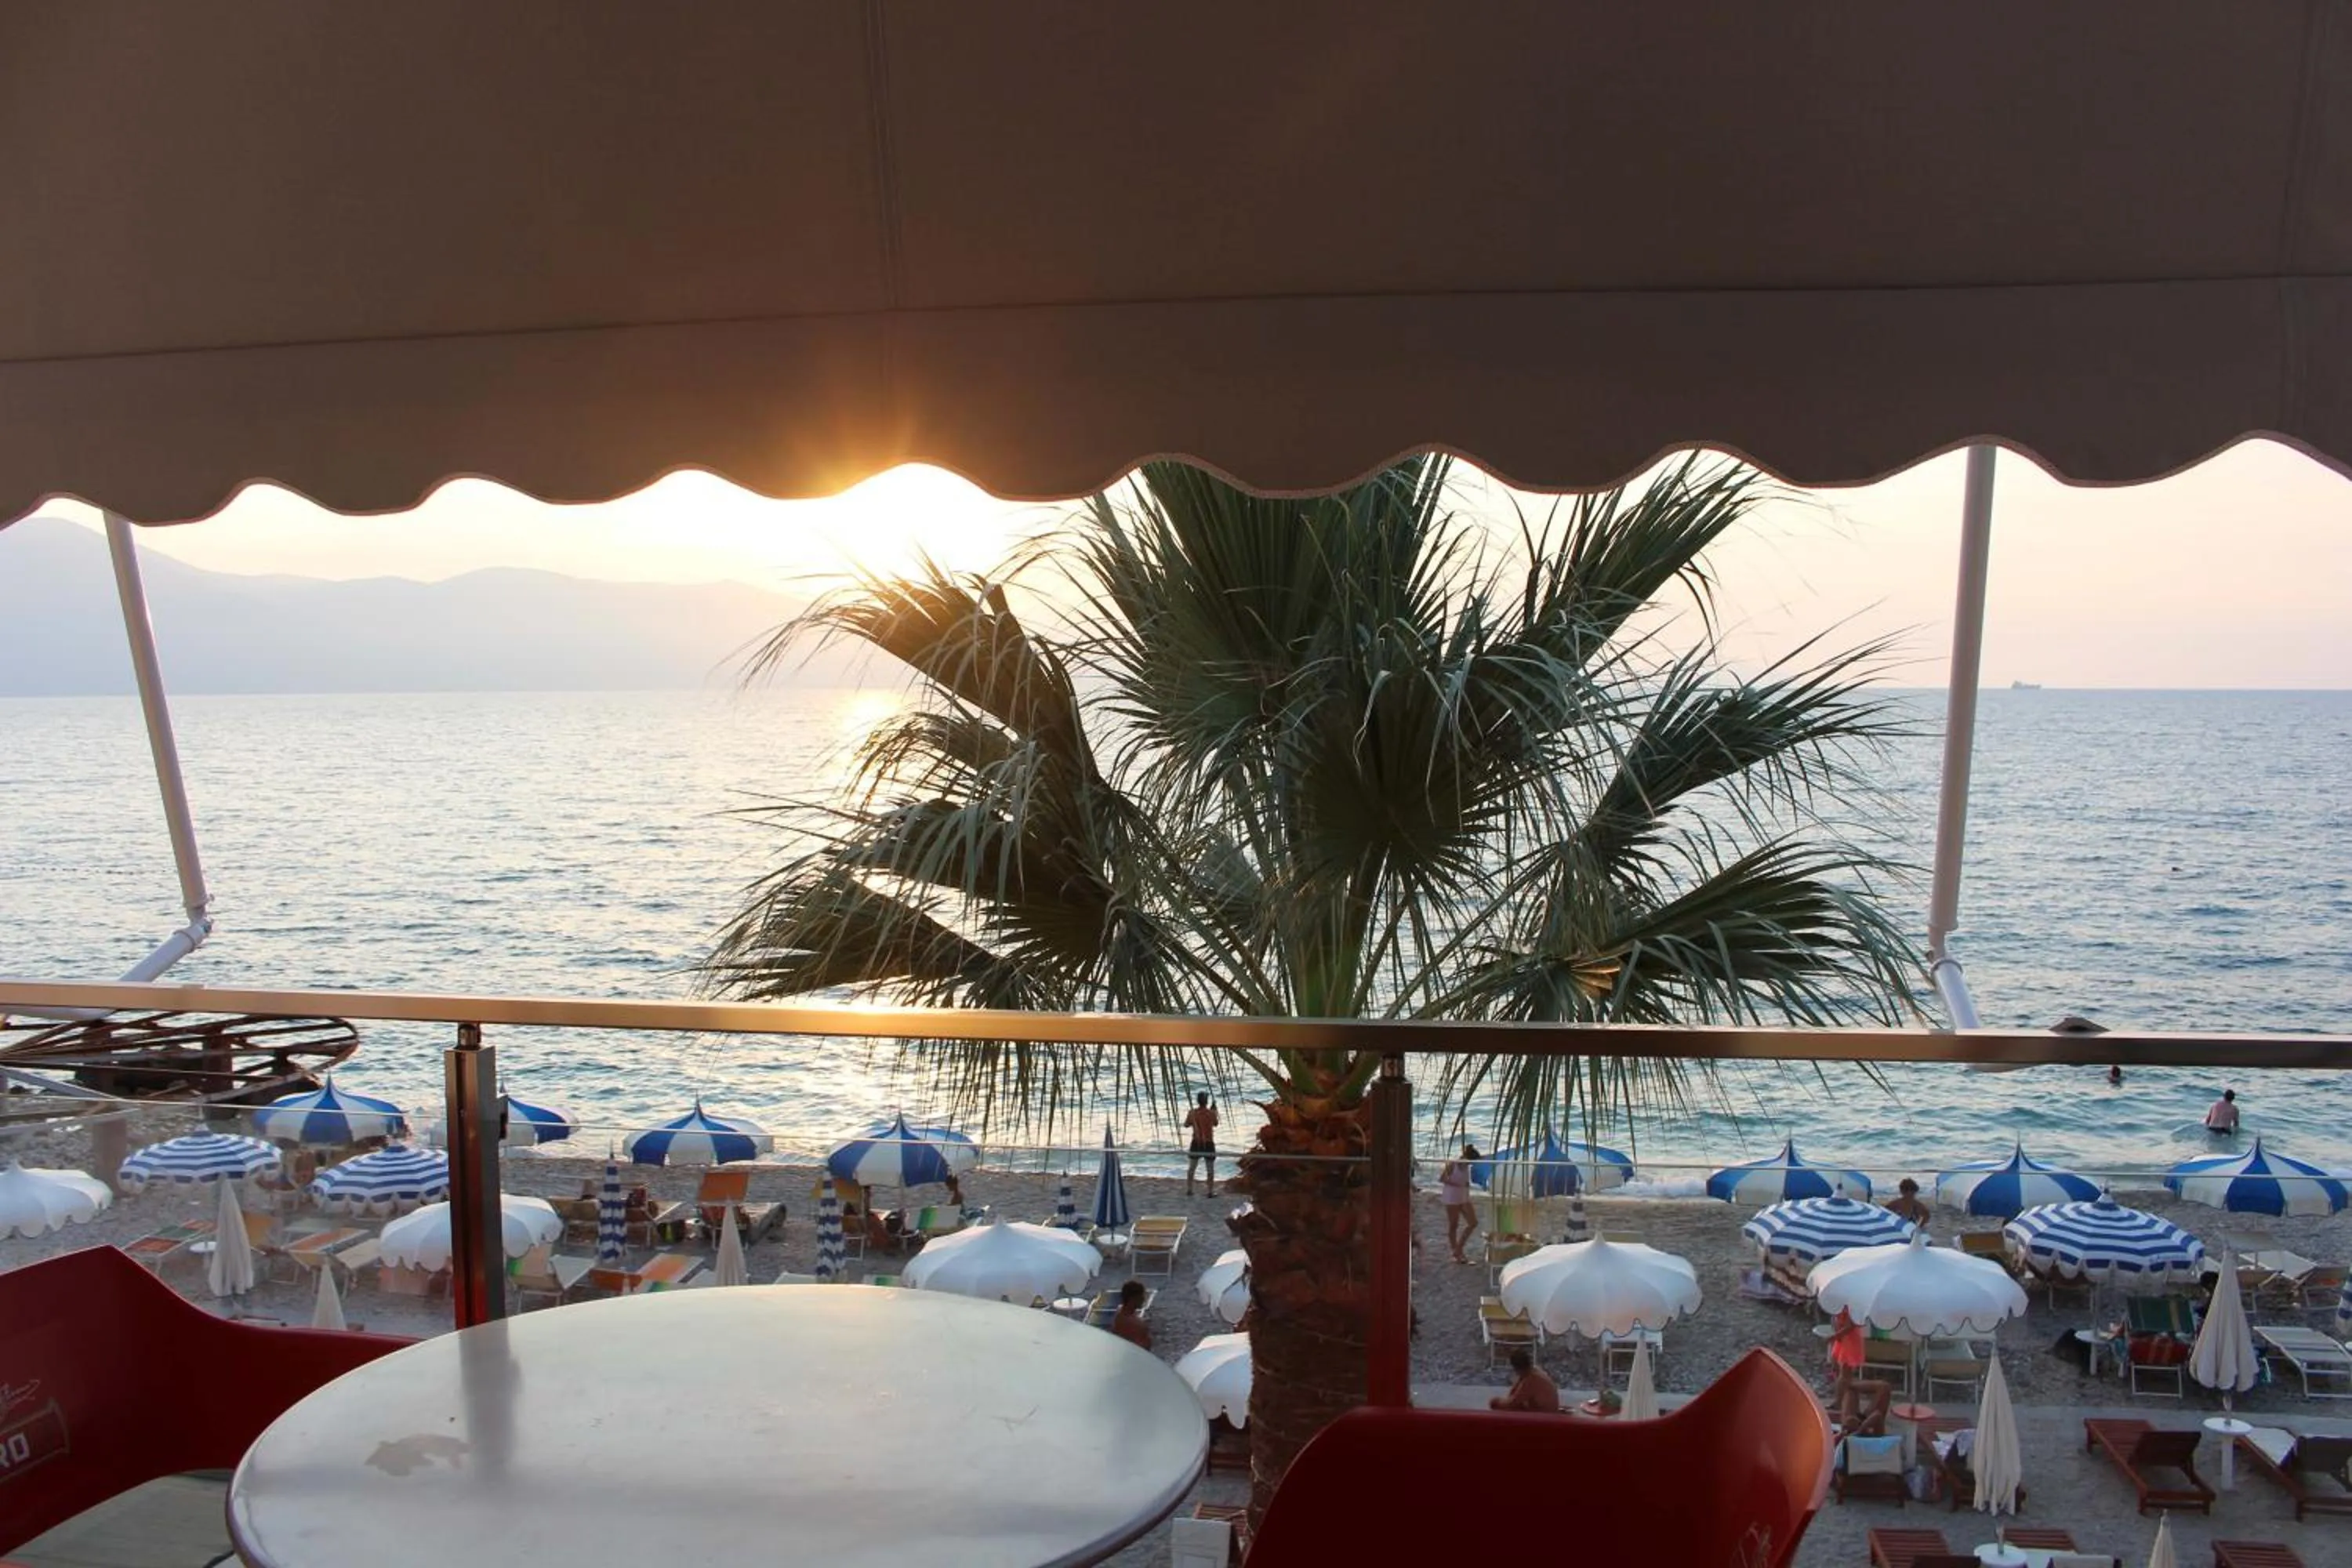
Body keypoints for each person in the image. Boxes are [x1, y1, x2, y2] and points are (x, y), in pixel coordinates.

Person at [1439, 1142, 1480, 1264]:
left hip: (1464, 1197)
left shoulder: (1467, 1167)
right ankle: (1456, 1253)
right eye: (1471, 1162)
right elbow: (1442, 1179)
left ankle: (1458, 1249)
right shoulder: (1453, 1164)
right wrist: (1459, 1184)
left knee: (1473, 1223)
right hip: (1451, 1197)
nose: (1471, 1165)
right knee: (1454, 1225)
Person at [1489, 1348, 1560, 1413]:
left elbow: (1512, 1402)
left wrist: (1496, 1402)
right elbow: (1513, 1395)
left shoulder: (1532, 1379)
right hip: (1544, 1413)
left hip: (1545, 1417)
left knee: (1497, 1404)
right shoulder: (1533, 1372)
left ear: (1516, 1368)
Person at [1182, 1092, 1221, 1196]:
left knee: (1192, 1167)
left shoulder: (1192, 1113)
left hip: (1196, 1142)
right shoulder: (1211, 1113)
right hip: (1208, 1143)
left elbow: (1186, 1124)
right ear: (1206, 1101)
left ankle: (1189, 1190)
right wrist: (1214, 1111)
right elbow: (1216, 1123)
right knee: (1210, 1169)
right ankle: (1210, 1192)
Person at [1109, 1278, 1152, 1350]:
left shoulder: (1121, 1313)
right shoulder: (1134, 1324)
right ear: (1133, 1299)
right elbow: (1140, 1348)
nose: (1143, 1299)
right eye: (1141, 1297)